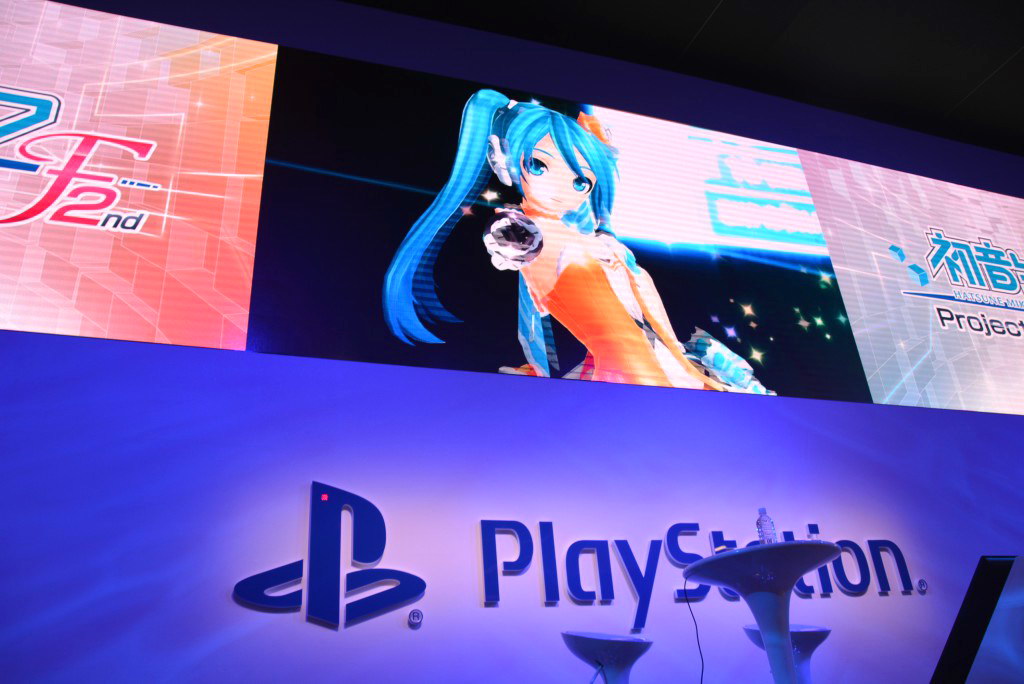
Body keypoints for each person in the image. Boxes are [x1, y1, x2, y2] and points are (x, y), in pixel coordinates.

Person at [384, 89, 771, 394]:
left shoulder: (589, 238)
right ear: (502, 159)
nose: (563, 189)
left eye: (580, 180)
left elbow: (640, 323)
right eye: (539, 164)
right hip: (637, 380)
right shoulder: (527, 233)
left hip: (667, 372)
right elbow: (521, 265)